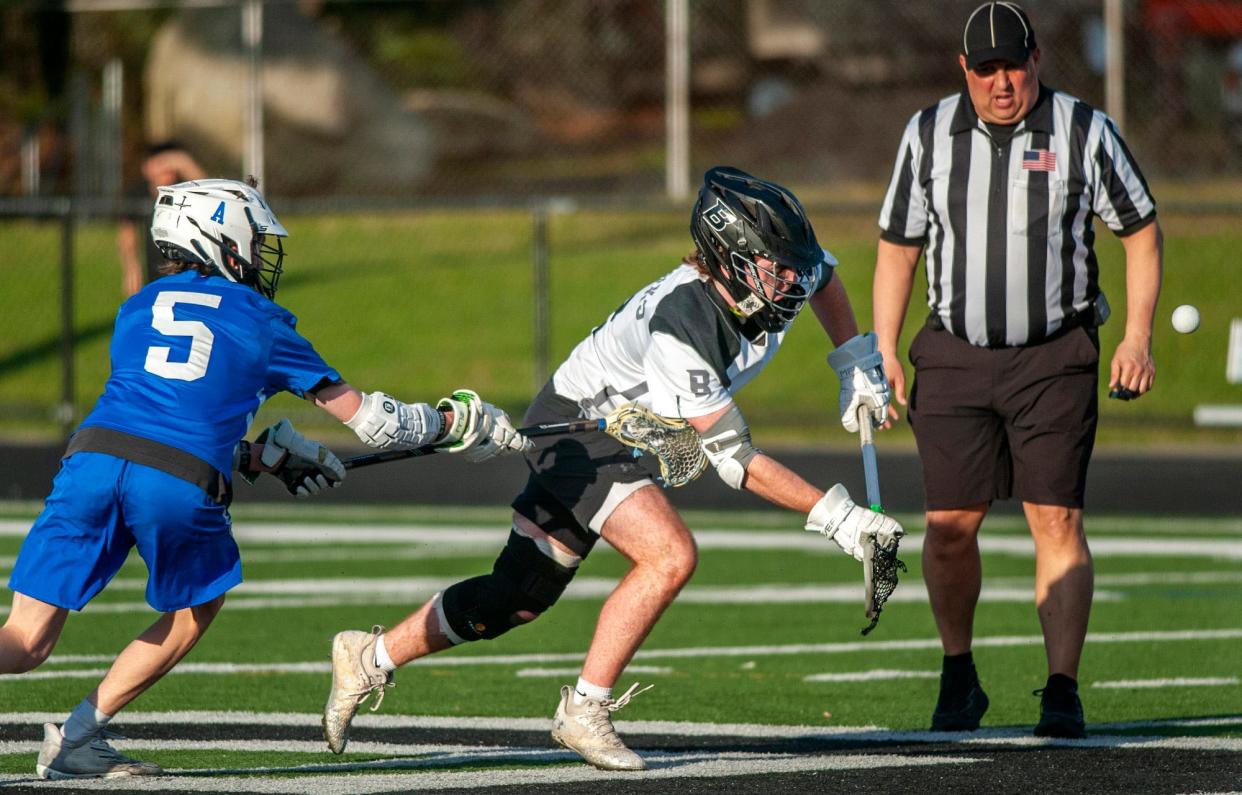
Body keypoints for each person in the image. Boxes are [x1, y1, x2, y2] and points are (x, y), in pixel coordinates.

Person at [322, 166, 905, 771]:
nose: (793, 280)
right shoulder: (684, 323)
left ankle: (370, 657)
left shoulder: (776, 276)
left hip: (629, 430)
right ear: (729, 258)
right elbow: (736, 461)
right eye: (776, 267)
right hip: (582, 428)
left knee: (514, 597)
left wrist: (853, 361)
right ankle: (586, 710)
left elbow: (825, 274)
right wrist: (841, 519)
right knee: (670, 554)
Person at [2, 177, 530, 780]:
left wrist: (257, 456)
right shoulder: (260, 317)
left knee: (24, 641)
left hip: (90, 460)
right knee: (194, 609)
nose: (259, 255)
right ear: (219, 237)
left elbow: (165, 412)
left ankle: (75, 742)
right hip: (178, 479)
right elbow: (377, 423)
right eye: (253, 241)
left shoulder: (138, 307)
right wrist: (452, 420)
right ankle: (75, 739)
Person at [872, 2, 1162, 739]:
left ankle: (1061, 688)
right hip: (954, 355)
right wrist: (881, 349)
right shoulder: (927, 133)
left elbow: (1140, 230)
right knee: (947, 528)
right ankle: (959, 672)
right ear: (964, 70)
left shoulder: (1083, 130)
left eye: (1016, 63)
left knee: (1055, 517)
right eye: (987, 68)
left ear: (1038, 59)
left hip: (1053, 355)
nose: (1004, 83)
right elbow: (898, 246)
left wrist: (1136, 336)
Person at [117, 141, 206, 297]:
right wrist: (131, 268)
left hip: (191, 273)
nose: (167, 170)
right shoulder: (137, 194)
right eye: (161, 163)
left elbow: (209, 191)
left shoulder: (186, 191)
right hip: (154, 272)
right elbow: (127, 234)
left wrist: (185, 163)